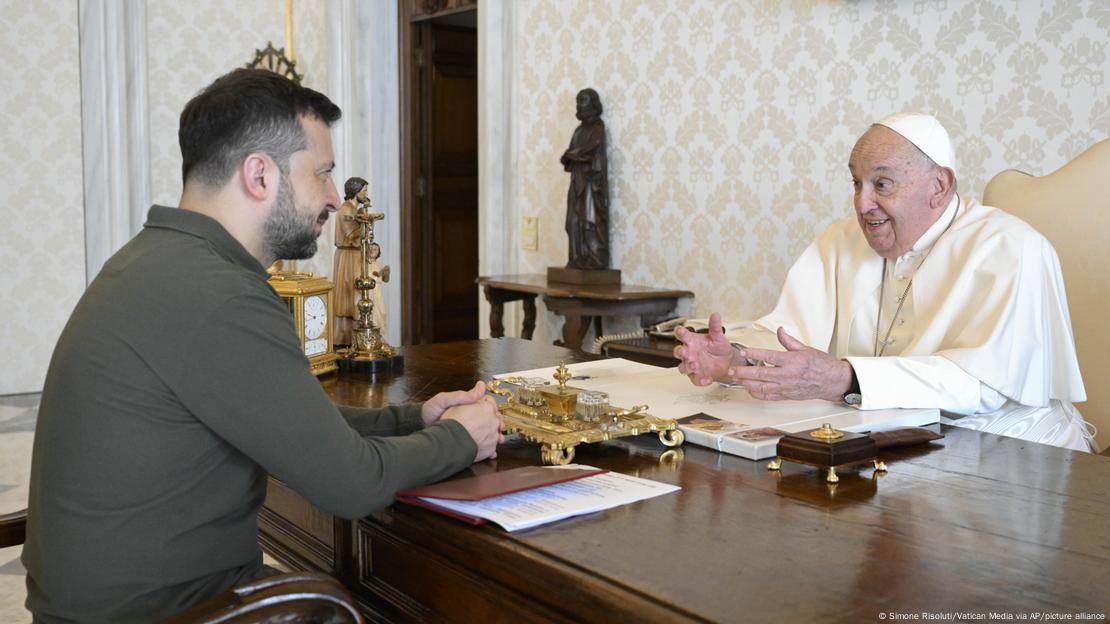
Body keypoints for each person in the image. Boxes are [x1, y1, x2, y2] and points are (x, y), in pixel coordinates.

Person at [22, 68, 504, 623]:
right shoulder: (220, 295)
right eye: (321, 173)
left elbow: (287, 420)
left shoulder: (159, 261)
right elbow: (353, 484)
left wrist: (413, 419)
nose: (332, 198)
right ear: (259, 174)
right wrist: (462, 439)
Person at [674, 112, 1095, 453]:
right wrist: (737, 357)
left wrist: (846, 378)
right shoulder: (841, 240)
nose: (862, 203)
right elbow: (789, 335)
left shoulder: (1010, 248)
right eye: (856, 183)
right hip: (885, 442)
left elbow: (983, 386)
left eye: (882, 184)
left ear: (939, 185)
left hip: (1007, 449)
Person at [560, 88, 609, 270]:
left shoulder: (598, 127)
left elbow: (590, 151)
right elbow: (572, 153)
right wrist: (569, 156)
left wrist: (572, 154)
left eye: (583, 101)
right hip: (577, 180)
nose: (579, 105)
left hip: (590, 183)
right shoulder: (578, 130)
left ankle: (595, 259)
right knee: (572, 221)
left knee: (589, 221)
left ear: (593, 104)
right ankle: (576, 259)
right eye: (577, 101)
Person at [333, 176, 367, 346]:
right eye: (364, 190)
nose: (366, 193)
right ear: (355, 192)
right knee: (350, 294)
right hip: (349, 256)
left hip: (355, 254)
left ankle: (356, 335)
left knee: (357, 292)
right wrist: (364, 223)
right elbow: (353, 236)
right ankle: (346, 337)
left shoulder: (354, 210)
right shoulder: (347, 211)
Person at [366, 242, 390, 334]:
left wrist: (387, 272)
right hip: (368, 292)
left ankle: (379, 335)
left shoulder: (380, 265)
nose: (372, 250)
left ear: (378, 253)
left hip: (377, 292)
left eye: (375, 249)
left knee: (380, 311)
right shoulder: (364, 265)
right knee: (370, 313)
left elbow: (386, 280)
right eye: (370, 248)